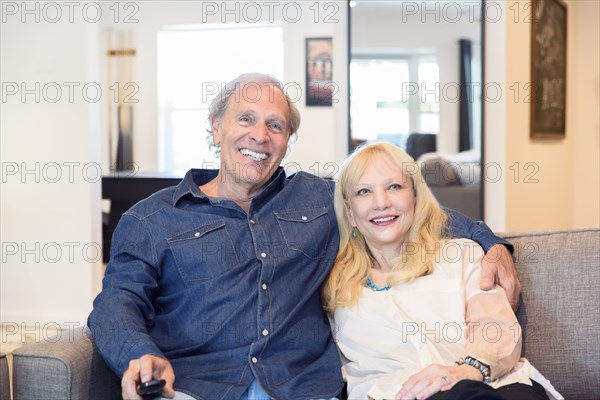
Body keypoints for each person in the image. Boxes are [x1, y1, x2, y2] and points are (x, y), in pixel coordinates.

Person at [88, 73, 521, 400]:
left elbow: (403, 207)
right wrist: (138, 353)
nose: (260, 135)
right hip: (199, 388)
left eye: (276, 126)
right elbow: (116, 303)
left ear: (287, 140)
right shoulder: (151, 219)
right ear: (216, 127)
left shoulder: (320, 199)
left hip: (303, 388)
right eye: (246, 119)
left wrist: (491, 241)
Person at [323, 142, 562, 400]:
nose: (381, 202)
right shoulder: (332, 282)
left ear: (415, 195)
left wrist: (469, 369)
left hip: (493, 383)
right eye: (363, 191)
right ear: (349, 212)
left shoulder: (461, 255)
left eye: (394, 186)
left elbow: (495, 325)